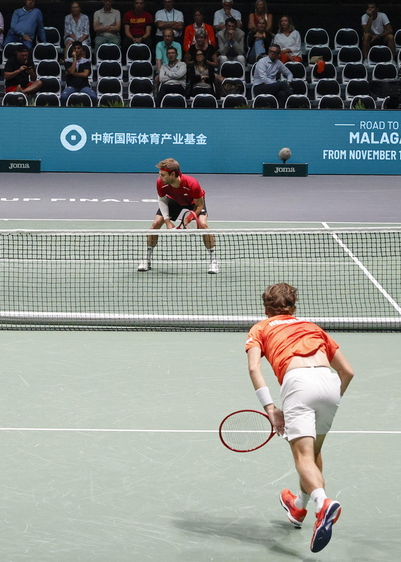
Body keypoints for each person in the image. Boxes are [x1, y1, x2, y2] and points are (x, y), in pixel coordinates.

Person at [245, 283, 354, 553]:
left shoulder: (259, 328)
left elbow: (253, 368)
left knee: (302, 457)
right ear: (293, 308)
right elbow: (348, 372)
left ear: (265, 308)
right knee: (313, 454)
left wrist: (271, 408)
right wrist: (328, 397)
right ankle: (298, 508)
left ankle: (323, 503)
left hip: (297, 383)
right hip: (330, 382)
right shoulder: (313, 327)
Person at [137, 158, 218, 274]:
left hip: (193, 203)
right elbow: (162, 200)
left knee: (203, 225)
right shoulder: (161, 183)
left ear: (173, 174)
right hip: (173, 200)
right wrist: (168, 222)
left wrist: (187, 220)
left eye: (163, 175)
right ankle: (147, 259)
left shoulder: (192, 184)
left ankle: (213, 261)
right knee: (155, 224)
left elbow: (199, 205)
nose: (160, 178)